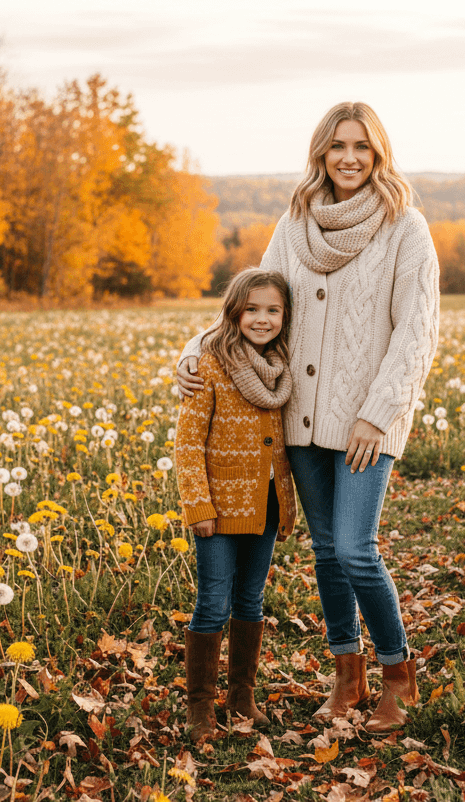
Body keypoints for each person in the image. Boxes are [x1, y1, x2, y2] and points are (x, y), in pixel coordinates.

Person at [177, 102, 440, 733]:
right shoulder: (292, 225)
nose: (349, 158)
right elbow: (251, 303)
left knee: (356, 550)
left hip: (365, 426)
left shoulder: (406, 227)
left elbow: (417, 332)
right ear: (320, 153)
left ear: (379, 156)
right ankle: (346, 678)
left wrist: (377, 416)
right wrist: (193, 349)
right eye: (337, 146)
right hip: (297, 420)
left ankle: (397, 676)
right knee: (325, 553)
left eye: (362, 147)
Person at [176, 267, 298, 741]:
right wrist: (199, 508)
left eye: (272, 310)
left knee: (251, 599)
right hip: (219, 509)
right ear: (234, 312)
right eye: (252, 309)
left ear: (285, 316)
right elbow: (188, 444)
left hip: (265, 503)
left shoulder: (282, 367)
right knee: (212, 603)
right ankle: (199, 708)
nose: (262, 319)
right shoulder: (209, 362)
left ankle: (241, 697)